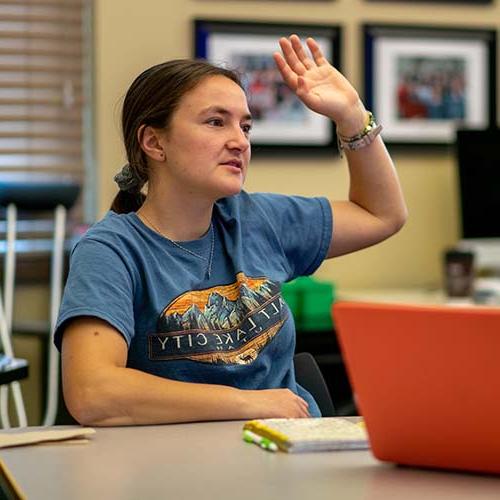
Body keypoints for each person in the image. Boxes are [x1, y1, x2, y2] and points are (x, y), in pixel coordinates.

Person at [55, 35, 407, 426]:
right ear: (154, 142)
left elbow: (382, 214)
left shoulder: (256, 219)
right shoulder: (110, 250)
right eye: (216, 122)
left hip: (291, 452)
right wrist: (249, 403)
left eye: (245, 127)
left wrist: (353, 117)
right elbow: (92, 393)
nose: (239, 141)